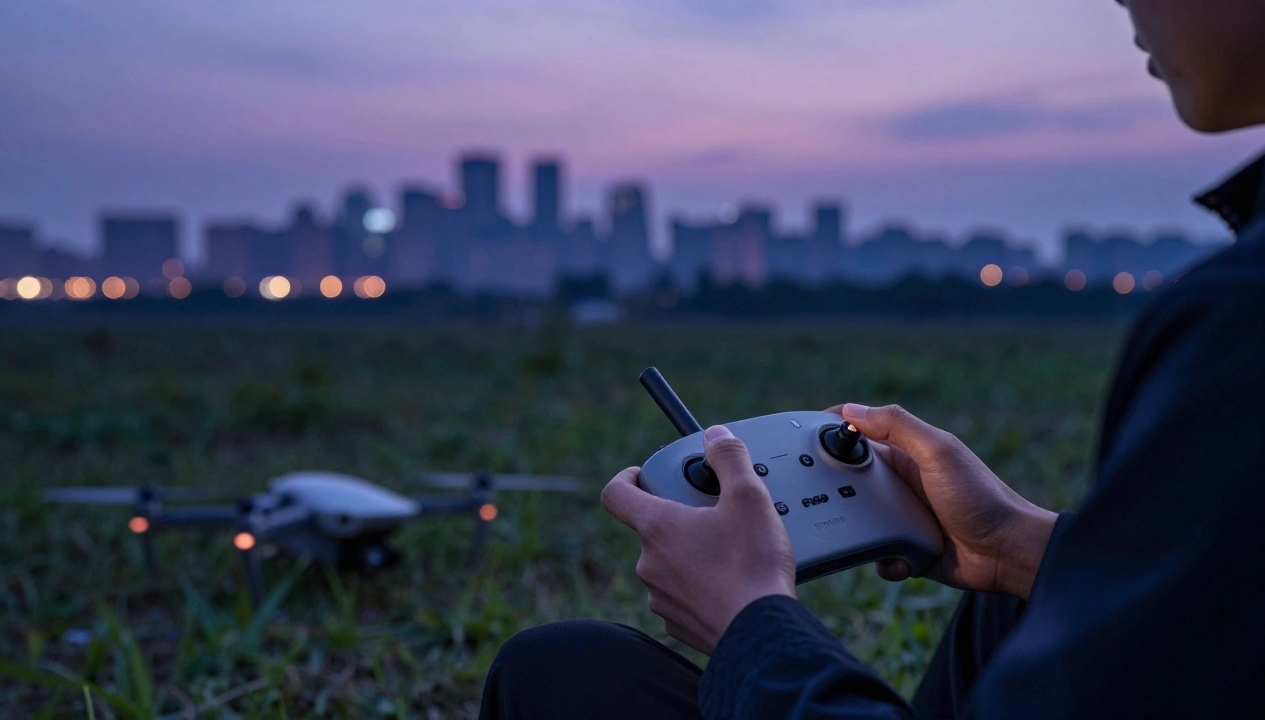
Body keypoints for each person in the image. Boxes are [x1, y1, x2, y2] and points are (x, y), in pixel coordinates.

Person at [479, 1, 1265, 717]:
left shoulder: (1239, 319)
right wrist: (1015, 546)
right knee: (1029, 597)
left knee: (560, 672)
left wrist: (747, 618)